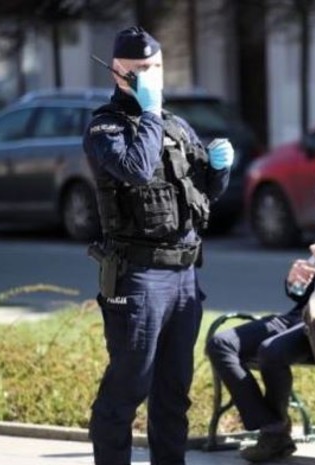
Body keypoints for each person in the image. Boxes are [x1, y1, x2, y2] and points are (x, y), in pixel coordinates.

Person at [82, 26, 233, 465]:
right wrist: (148, 111)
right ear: (118, 72)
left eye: (157, 67)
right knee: (127, 387)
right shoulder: (107, 126)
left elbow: (203, 193)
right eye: (142, 69)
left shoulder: (175, 125)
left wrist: (219, 169)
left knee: (173, 392)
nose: (152, 76)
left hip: (184, 276)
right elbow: (135, 168)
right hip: (139, 275)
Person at [206, 158, 315, 463]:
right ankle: (273, 426)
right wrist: (295, 280)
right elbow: (303, 290)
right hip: (300, 316)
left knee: (271, 350)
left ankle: (273, 438)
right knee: (221, 343)